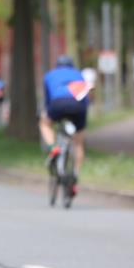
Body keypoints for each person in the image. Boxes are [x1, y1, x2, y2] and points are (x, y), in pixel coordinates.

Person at [39, 55, 90, 194]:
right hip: (79, 106)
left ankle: (53, 147)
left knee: (45, 124)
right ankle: (75, 174)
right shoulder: (79, 75)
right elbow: (86, 97)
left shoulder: (49, 75)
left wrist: (48, 112)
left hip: (58, 103)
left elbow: (48, 99)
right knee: (78, 143)